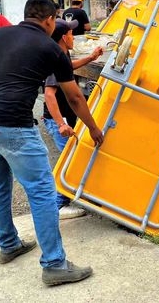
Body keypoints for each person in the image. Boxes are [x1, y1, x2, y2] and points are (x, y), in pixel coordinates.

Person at [0, 0, 104, 286]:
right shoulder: (51, 48)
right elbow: (75, 97)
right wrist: (93, 128)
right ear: (49, 20)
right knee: (41, 191)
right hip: (13, 126)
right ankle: (54, 264)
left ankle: (9, 244)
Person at [42, 19, 103, 219]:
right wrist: (60, 123)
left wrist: (91, 57)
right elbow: (49, 94)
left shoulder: (63, 55)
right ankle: (59, 205)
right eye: (70, 34)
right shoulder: (55, 59)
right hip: (59, 121)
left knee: (72, 157)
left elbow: (70, 67)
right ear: (63, 37)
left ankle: (69, 197)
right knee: (70, 159)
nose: (73, 37)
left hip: (63, 119)